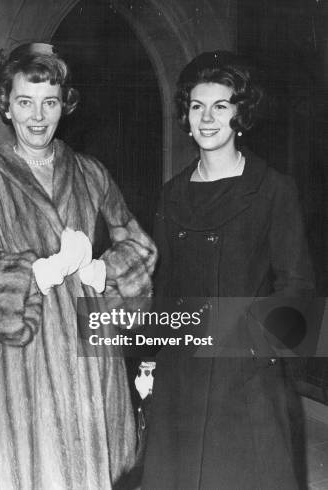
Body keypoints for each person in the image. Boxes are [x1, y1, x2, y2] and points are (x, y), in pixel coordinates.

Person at [0, 43, 157, 489]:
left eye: (49, 102)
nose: (37, 116)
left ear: (65, 105)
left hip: (91, 358)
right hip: (20, 368)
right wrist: (42, 272)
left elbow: (138, 246)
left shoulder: (91, 173)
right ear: (6, 106)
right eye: (25, 102)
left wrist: (99, 271)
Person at [142, 51, 315, 489]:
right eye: (197, 106)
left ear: (240, 113)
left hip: (247, 378)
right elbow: (162, 287)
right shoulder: (171, 195)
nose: (207, 118)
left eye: (221, 106)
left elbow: (298, 285)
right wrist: (150, 356)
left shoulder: (273, 189)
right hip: (182, 374)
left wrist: (255, 348)